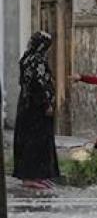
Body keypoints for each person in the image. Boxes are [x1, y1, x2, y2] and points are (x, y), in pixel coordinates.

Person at [13, 31, 60, 190]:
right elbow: (38, 85)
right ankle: (31, 177)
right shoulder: (37, 61)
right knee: (37, 141)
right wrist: (47, 103)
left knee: (31, 140)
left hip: (26, 106)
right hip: (36, 109)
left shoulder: (26, 59)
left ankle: (38, 176)